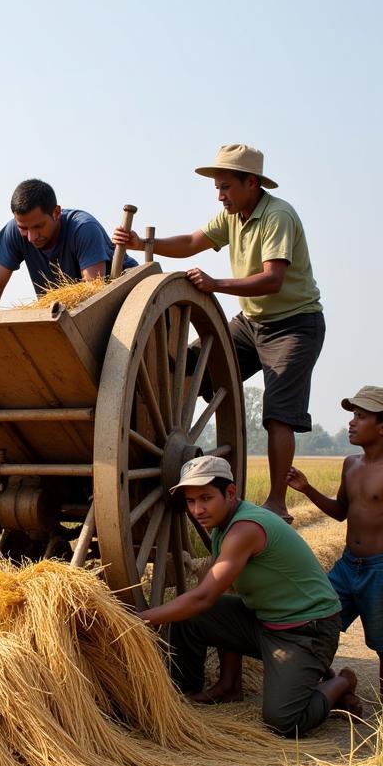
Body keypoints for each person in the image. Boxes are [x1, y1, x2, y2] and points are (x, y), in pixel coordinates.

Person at [112, 144, 324, 523]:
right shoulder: (232, 216)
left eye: (225, 186)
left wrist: (215, 284)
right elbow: (193, 243)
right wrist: (145, 244)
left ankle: (277, 502)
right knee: (189, 365)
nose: (219, 195)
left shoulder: (277, 215)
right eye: (217, 188)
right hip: (251, 322)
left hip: (293, 324)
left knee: (278, 415)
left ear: (251, 183)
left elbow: (273, 279)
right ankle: (166, 445)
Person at [141, 455, 362, 736]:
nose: (197, 510)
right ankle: (219, 688)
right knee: (190, 616)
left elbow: (203, 597)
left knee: (284, 722)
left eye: (206, 498)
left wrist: (141, 619)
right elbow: (227, 593)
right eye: (191, 501)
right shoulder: (224, 525)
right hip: (265, 621)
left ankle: (340, 682)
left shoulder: (245, 529)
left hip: (307, 630)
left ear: (230, 493)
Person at [287, 387, 383, 706]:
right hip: (348, 566)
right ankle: (336, 686)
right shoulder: (351, 464)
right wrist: (307, 489)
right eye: (353, 416)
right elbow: (340, 512)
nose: (352, 423)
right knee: (317, 621)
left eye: (360, 417)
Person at [0, 179, 135, 308]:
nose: (31, 237)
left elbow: (92, 290)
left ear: (56, 213)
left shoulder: (84, 229)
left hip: (121, 303)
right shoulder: (13, 231)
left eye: (38, 226)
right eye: (23, 228)